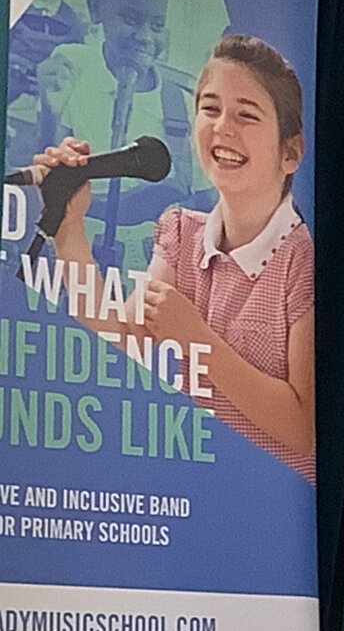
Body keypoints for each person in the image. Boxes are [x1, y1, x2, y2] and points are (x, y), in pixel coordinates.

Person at [26, 35, 317, 482]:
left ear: (291, 151)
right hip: (185, 496)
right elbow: (125, 341)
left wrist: (197, 339)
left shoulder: (301, 256)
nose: (222, 127)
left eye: (246, 115)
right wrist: (70, 230)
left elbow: (303, 428)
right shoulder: (182, 230)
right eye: (210, 108)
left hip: (265, 506)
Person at [28, 0, 197, 271]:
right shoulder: (70, 67)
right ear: (95, 10)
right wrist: (50, 115)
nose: (146, 36)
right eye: (131, 19)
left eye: (157, 24)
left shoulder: (181, 103)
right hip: (75, 261)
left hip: (152, 276)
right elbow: (41, 181)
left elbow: (206, 204)